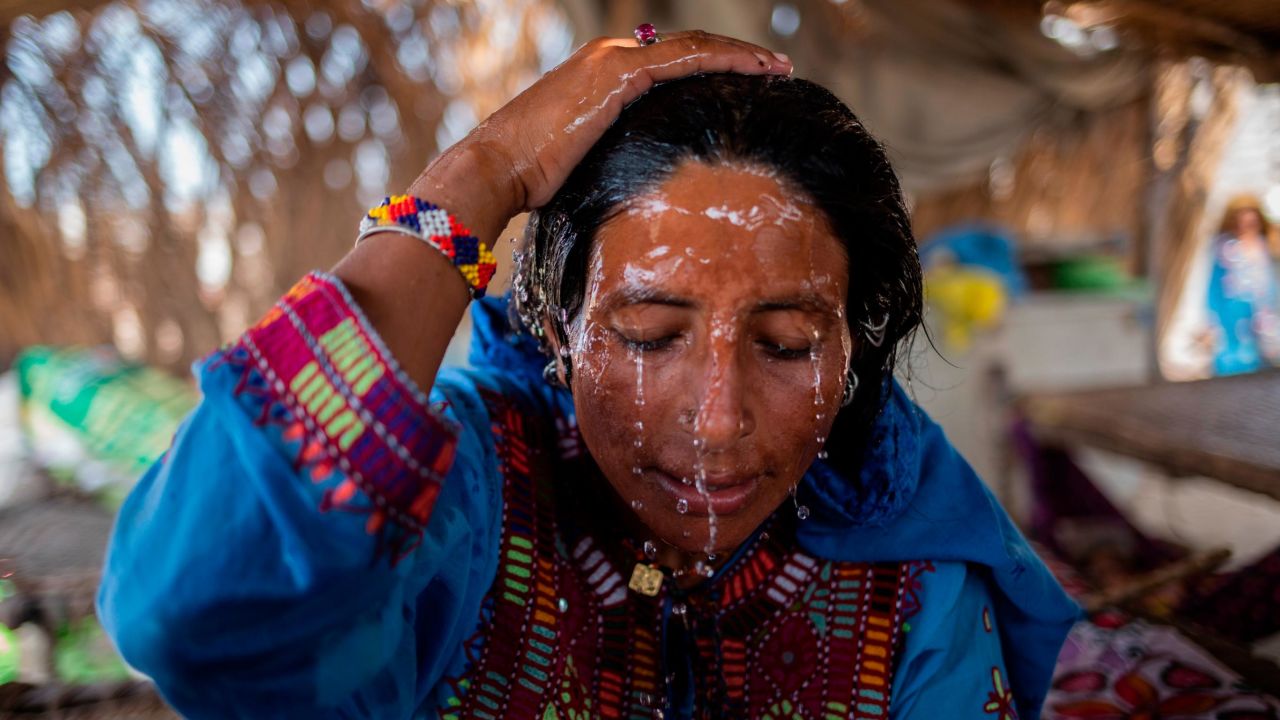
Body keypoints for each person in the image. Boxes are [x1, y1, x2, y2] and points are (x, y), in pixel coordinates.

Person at [97, 28, 1078, 719]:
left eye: (784, 344)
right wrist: (481, 174)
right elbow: (192, 612)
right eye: (650, 334)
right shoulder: (462, 510)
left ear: (852, 350)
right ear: (556, 332)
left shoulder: (912, 579)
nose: (718, 420)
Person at [1205, 194, 1280, 375]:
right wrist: (1212, 322)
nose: (1246, 228)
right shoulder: (1225, 249)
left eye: (1251, 223)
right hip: (1233, 318)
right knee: (1235, 366)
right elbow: (1213, 289)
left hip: (1265, 318)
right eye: (1240, 223)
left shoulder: (1267, 247)